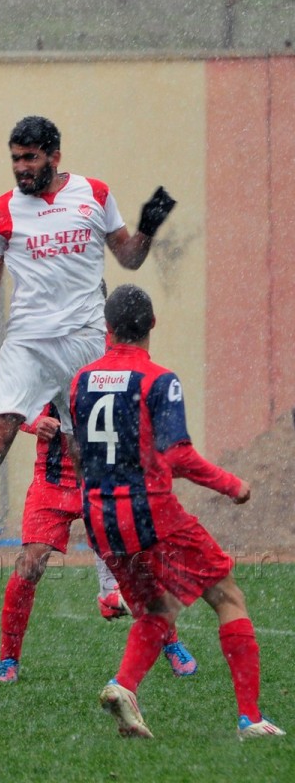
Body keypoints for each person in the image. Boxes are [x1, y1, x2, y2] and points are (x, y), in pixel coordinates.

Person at [0, 115, 176, 596]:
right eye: (15, 158)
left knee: (92, 458)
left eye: (30, 158)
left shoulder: (94, 195)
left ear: (54, 156)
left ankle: (107, 584)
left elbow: (130, 258)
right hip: (29, 344)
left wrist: (150, 228)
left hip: (88, 343)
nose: (21, 168)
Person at [69, 284, 285, 740]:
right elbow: (179, 456)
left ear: (108, 330)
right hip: (151, 513)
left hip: (102, 518)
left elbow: (79, 451)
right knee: (227, 595)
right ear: (152, 324)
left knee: (157, 608)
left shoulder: (81, 380)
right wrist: (232, 485)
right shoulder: (159, 380)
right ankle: (250, 719)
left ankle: (122, 686)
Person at [0, 402, 197, 683]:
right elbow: (15, 405)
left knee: (134, 561)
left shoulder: (101, 369)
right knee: (30, 564)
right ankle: (8, 659)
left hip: (99, 479)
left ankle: (171, 642)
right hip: (50, 484)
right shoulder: (46, 365)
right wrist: (35, 422)